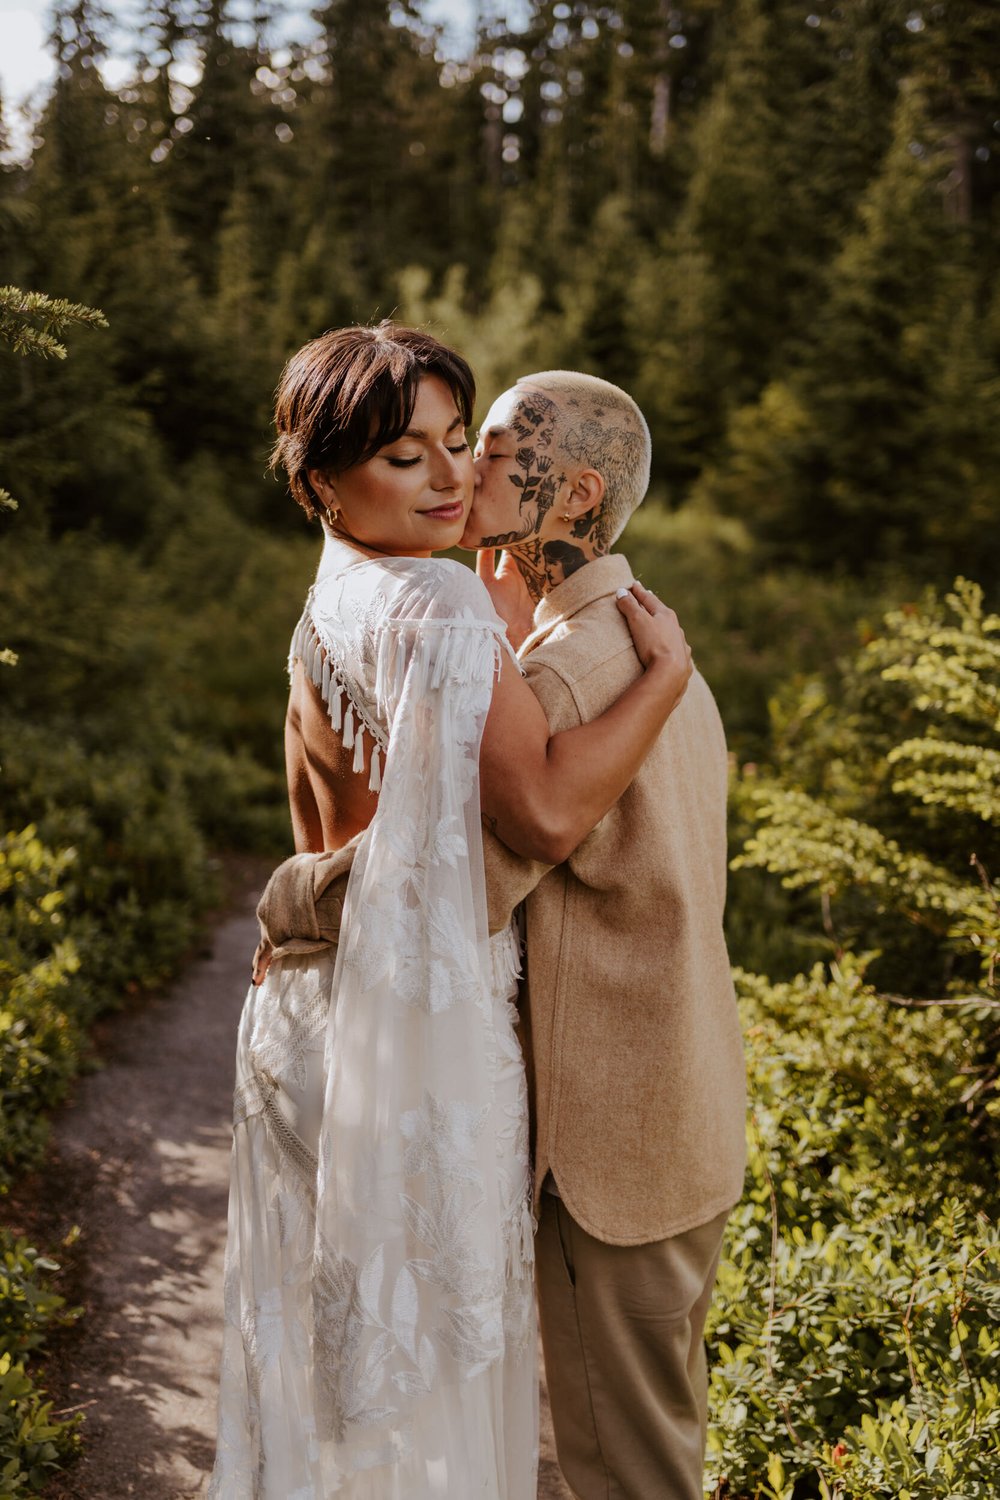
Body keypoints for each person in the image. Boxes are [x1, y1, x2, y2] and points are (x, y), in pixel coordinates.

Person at [208, 325, 692, 1500]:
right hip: (416, 1042)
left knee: (328, 1376)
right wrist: (667, 678)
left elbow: (327, 824)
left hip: (310, 1022)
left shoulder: (332, 594)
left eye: (449, 445)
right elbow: (539, 815)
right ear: (321, 478)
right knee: (421, 1396)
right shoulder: (436, 603)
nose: (447, 479)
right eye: (404, 455)